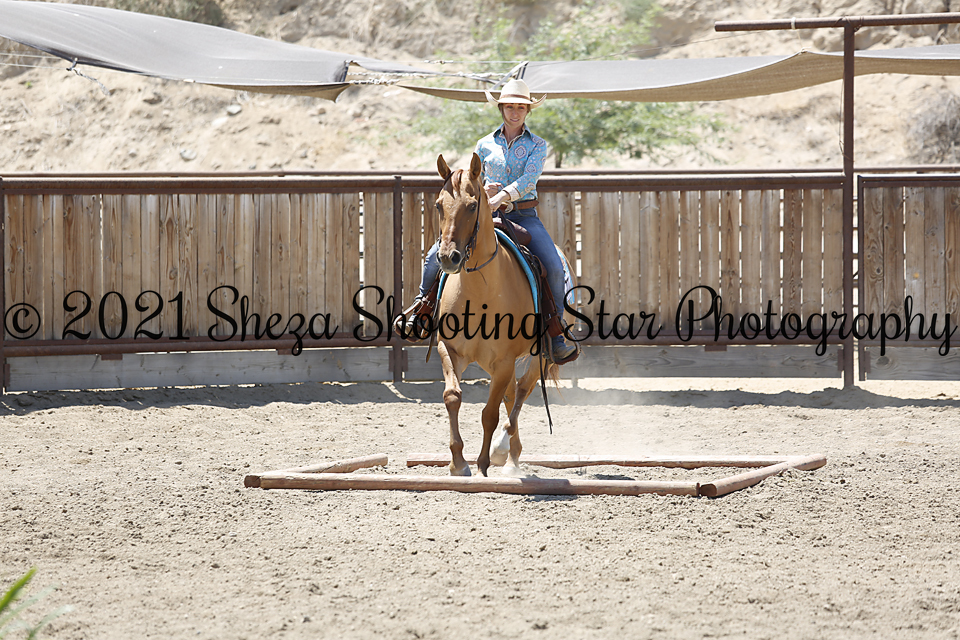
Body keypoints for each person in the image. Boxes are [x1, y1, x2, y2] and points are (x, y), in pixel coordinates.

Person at [398, 78, 578, 364]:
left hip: (523, 215)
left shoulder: (537, 145)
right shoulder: (484, 144)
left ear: (528, 111)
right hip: (485, 215)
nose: (515, 112)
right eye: (510, 107)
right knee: (436, 255)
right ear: (501, 108)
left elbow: (529, 179)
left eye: (520, 107)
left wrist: (501, 196)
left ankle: (555, 334)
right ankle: (422, 310)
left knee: (554, 267)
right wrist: (485, 191)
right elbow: (473, 180)